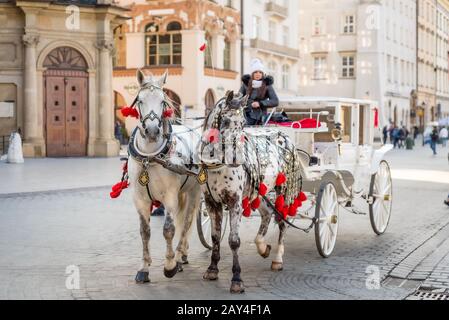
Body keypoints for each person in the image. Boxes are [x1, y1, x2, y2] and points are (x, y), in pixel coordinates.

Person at [239, 58, 279, 126]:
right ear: (252, 73)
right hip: (246, 115)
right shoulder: (246, 84)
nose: (258, 74)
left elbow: (275, 101)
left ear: (263, 74)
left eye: (260, 72)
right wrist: (249, 104)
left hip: (261, 117)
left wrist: (260, 103)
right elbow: (239, 99)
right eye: (255, 72)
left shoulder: (267, 84)